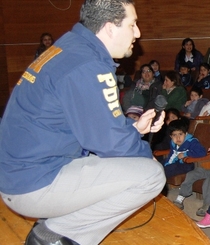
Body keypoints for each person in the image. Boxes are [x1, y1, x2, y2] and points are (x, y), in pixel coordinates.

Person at [0, 1, 166, 244]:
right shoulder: (89, 65)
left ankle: (55, 220)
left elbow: (90, 125)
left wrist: (133, 128)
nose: (138, 33)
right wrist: (144, 153)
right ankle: (55, 235)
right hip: (32, 184)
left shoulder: (70, 47)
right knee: (152, 175)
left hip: (19, 173)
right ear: (110, 28)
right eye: (133, 24)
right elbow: (110, 143)